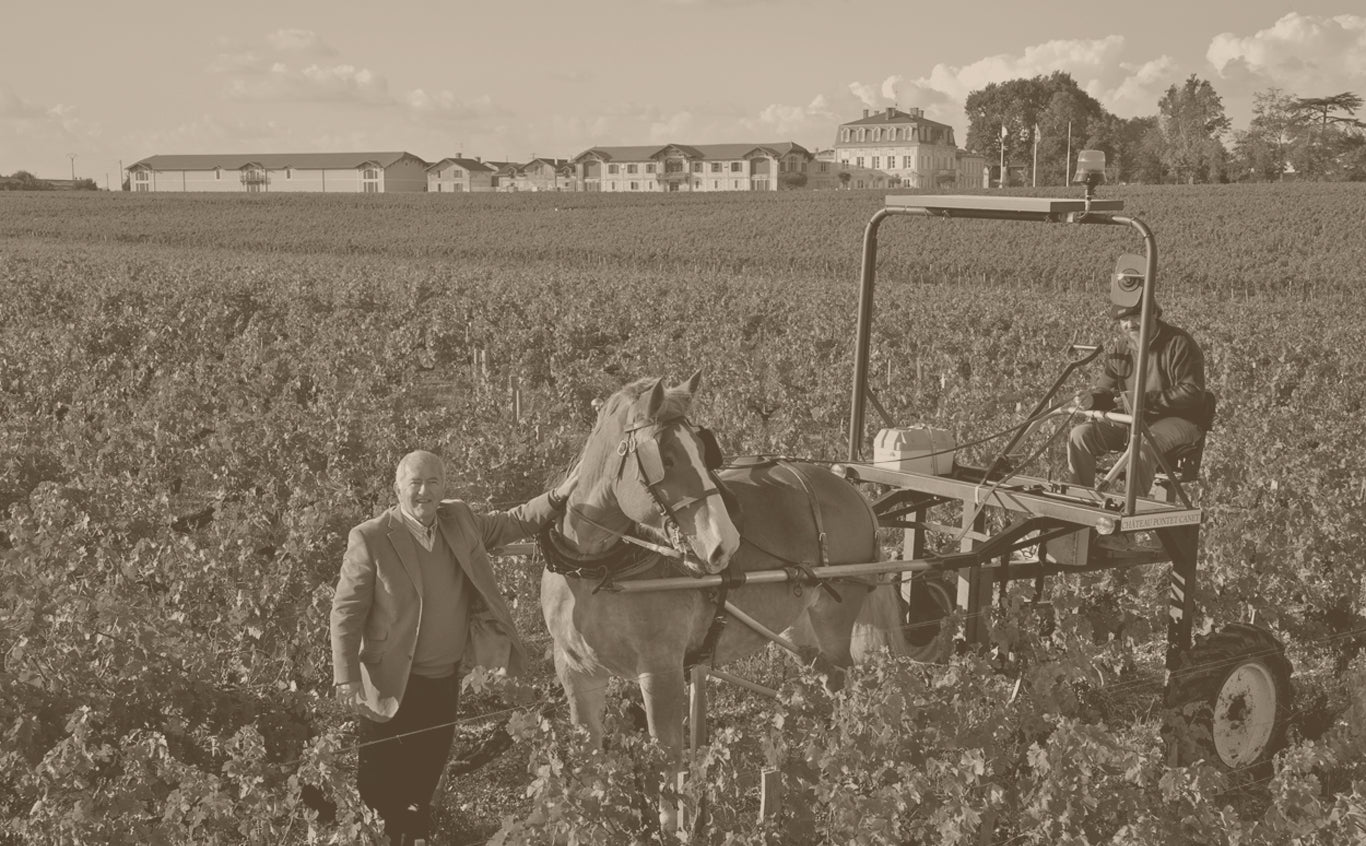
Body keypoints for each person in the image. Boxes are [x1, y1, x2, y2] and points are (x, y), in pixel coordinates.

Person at [331, 450, 573, 845]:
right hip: (387, 682)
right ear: (397, 488)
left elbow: (512, 522)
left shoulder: (458, 519)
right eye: (415, 483)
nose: (424, 492)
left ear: (445, 487)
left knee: (421, 785)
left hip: (442, 681)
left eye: (433, 482)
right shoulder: (371, 537)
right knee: (377, 791)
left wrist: (560, 494)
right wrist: (345, 678)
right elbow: (346, 612)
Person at [1068, 301, 1209, 497]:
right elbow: (1105, 389)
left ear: (1153, 313)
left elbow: (1192, 392)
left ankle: (1131, 510)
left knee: (1142, 444)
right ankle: (1081, 502)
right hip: (1133, 419)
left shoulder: (1179, 343)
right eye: (1124, 320)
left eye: (1135, 316)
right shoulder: (1122, 347)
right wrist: (1092, 400)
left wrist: (1146, 401)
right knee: (1080, 434)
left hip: (1179, 420)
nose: (1129, 324)